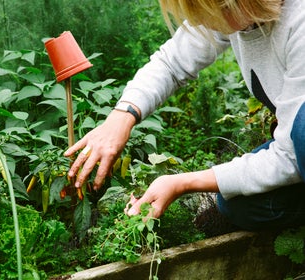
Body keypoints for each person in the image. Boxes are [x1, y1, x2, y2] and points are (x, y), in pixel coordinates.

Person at [64, 0, 305, 231]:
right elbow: (171, 63)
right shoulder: (242, 12)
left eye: (204, 11)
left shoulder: (299, 21)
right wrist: (122, 116)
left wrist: (182, 182)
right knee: (239, 203)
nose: (198, 21)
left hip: (298, 146)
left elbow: (291, 153)